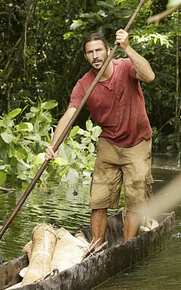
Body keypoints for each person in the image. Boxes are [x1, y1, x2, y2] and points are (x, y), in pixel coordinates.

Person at [45, 29, 155, 245]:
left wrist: (127, 47)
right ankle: (96, 247)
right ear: (86, 56)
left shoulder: (125, 67)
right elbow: (70, 114)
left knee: (134, 199)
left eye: (98, 50)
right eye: (90, 52)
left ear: (108, 51)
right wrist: (54, 145)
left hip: (137, 142)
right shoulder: (84, 84)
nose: (95, 56)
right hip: (110, 143)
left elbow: (149, 76)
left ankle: (127, 247)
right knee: (98, 200)